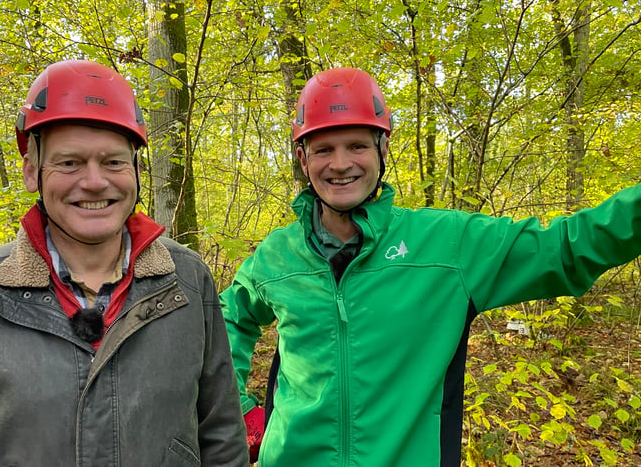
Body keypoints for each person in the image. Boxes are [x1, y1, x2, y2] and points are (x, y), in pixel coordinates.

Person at [219, 67, 641, 466]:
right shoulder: (278, 253)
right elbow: (225, 319)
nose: (341, 164)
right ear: (302, 157)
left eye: (358, 146)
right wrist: (239, 409)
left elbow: (564, 249)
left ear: (383, 148)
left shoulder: (447, 244)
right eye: (323, 149)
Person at [0, 59, 248, 466]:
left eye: (114, 161)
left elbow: (222, 434)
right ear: (32, 171)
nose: (95, 181)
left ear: (135, 170)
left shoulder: (185, 280)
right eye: (69, 163)